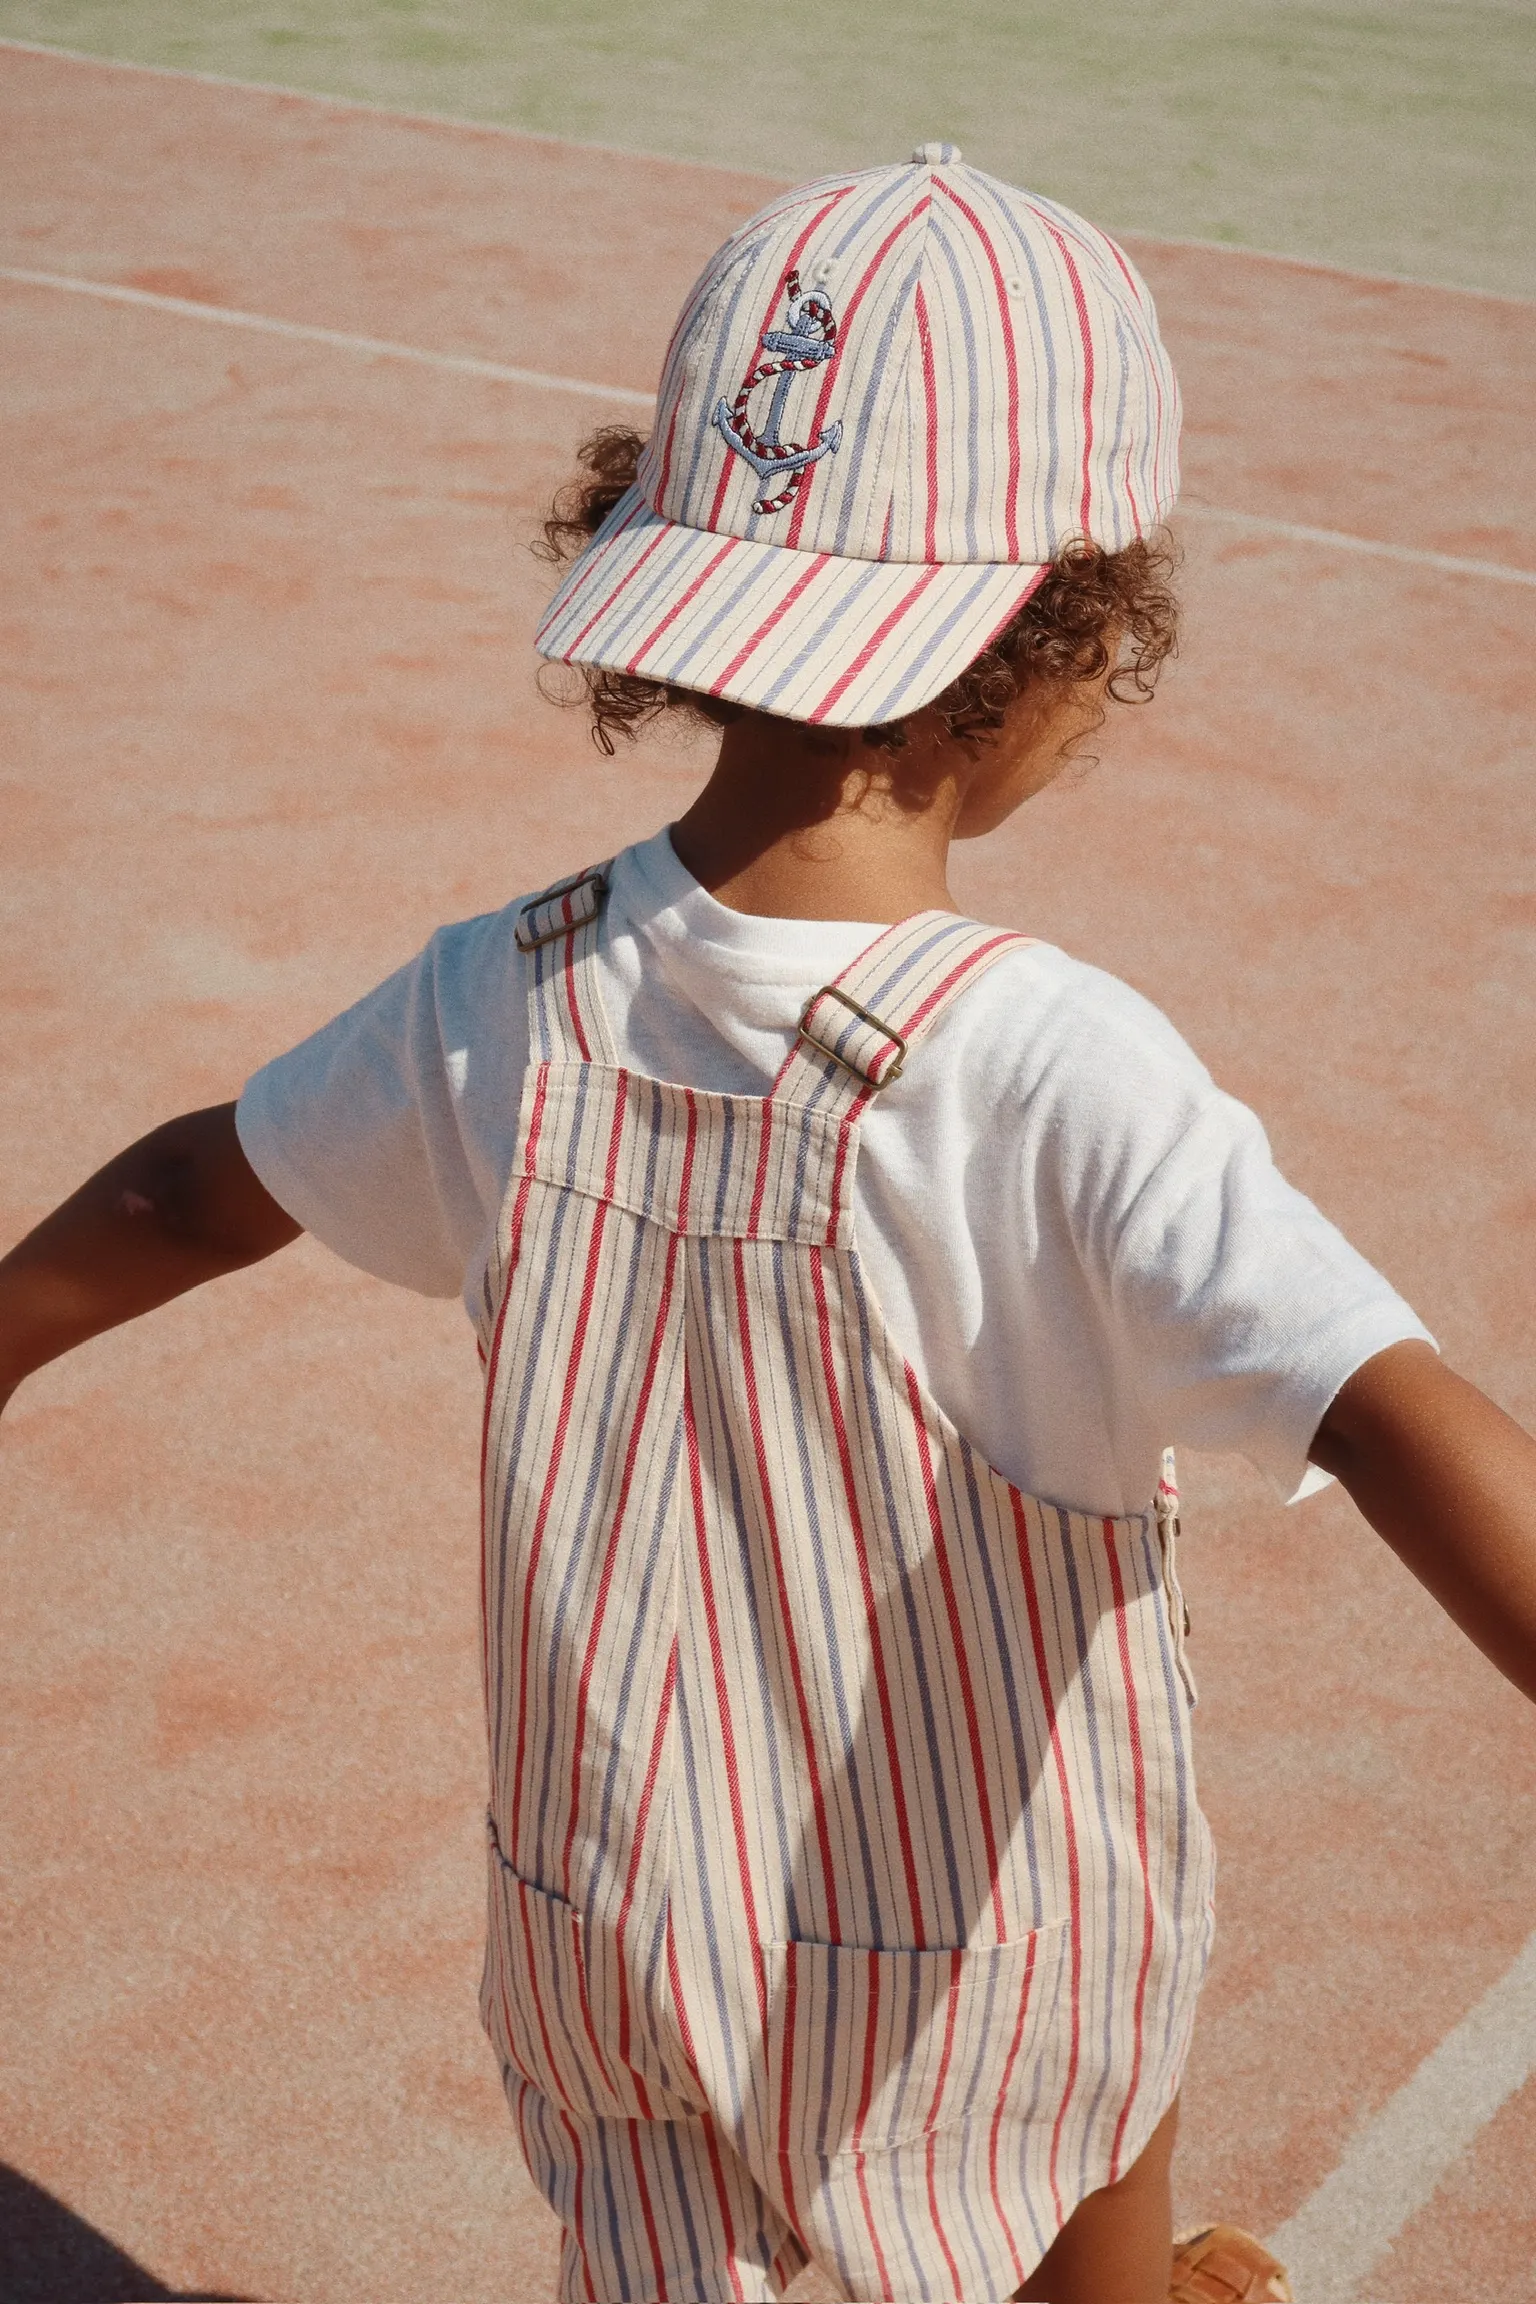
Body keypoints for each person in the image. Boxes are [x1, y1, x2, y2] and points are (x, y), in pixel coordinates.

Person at [3, 145, 1533, 2304]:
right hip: (991, 1937)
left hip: (615, 1915)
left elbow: (189, 1183)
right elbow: (1381, 1410)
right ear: (1068, 646)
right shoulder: (1057, 1062)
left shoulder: (500, 991)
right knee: (1083, 2123)